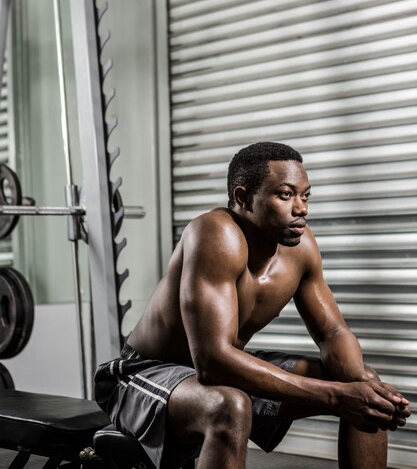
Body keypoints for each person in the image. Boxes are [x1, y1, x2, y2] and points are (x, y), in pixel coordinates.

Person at [95, 141, 410, 469]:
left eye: (305, 195)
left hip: (216, 369)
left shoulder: (300, 248)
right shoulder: (215, 234)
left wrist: (363, 384)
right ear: (243, 198)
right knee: (230, 405)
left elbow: (332, 331)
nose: (301, 208)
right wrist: (334, 396)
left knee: (364, 388)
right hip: (141, 373)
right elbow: (212, 361)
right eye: (286, 195)